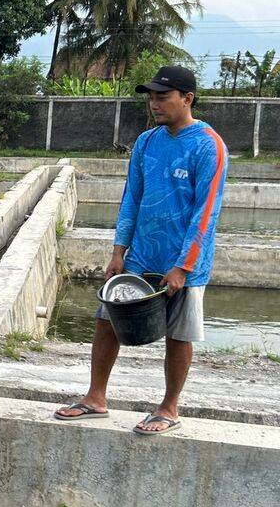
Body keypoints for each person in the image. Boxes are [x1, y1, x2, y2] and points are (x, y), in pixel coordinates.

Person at [55, 65, 228, 435]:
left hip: (183, 263)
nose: (154, 103)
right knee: (106, 320)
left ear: (187, 98)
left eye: (162, 97)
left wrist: (183, 266)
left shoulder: (207, 145)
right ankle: (95, 397)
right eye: (150, 97)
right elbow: (131, 198)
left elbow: (206, 212)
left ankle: (169, 407)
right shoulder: (148, 143)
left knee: (179, 333)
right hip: (140, 255)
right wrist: (119, 252)